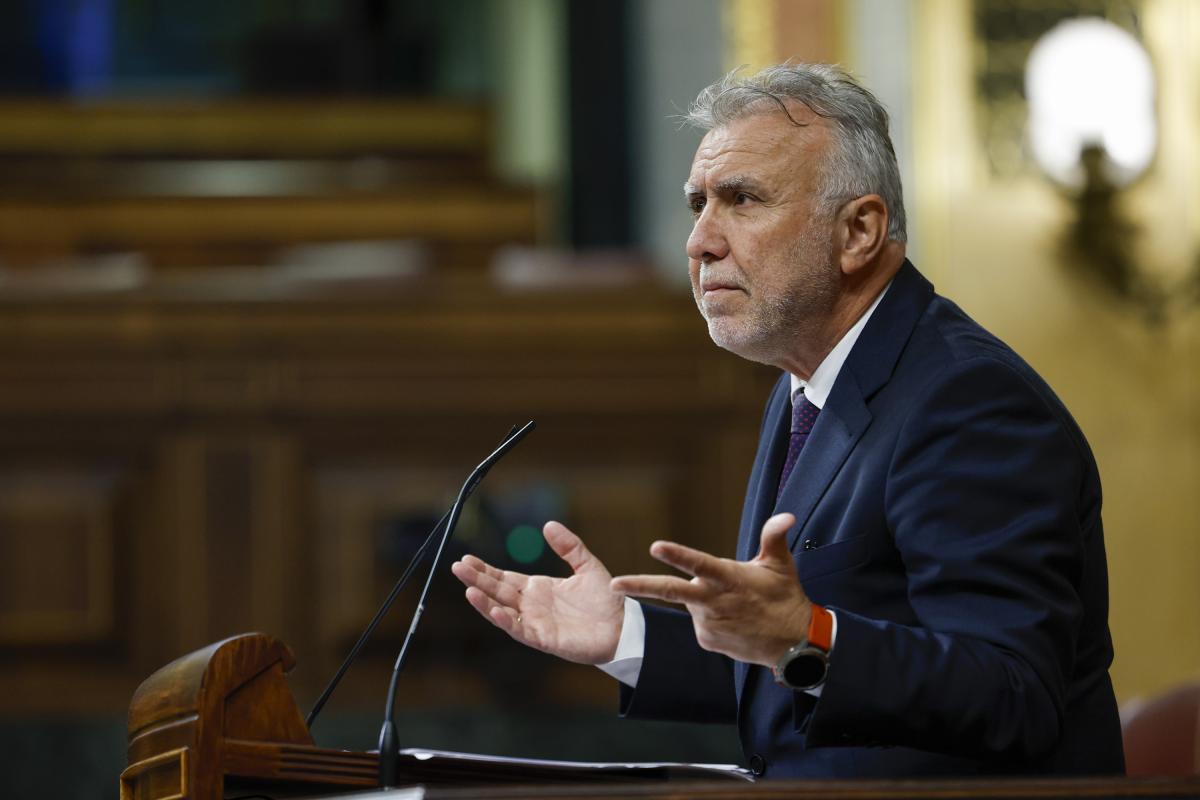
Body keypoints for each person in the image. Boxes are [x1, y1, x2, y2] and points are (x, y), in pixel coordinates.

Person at [450, 63, 1124, 778]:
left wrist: (808, 634)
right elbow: (790, 673)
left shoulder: (968, 400)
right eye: (698, 204)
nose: (699, 241)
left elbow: (1013, 694)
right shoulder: (804, 385)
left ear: (858, 231)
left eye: (741, 200)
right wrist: (626, 635)